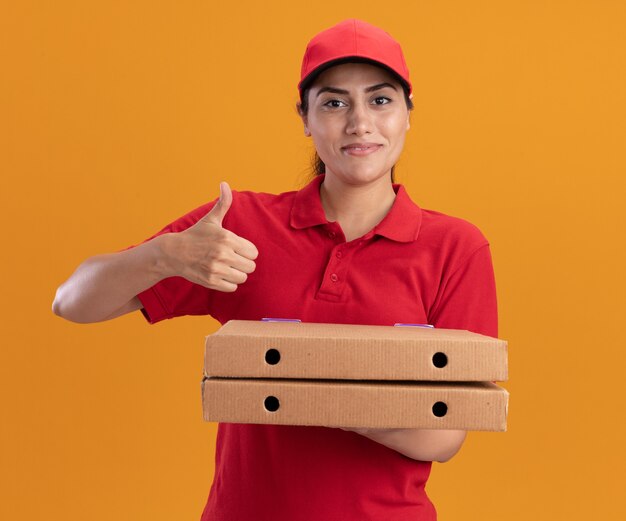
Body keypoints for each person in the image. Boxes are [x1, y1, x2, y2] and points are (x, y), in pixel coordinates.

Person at [53, 19, 498, 521]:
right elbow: (71, 301)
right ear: (304, 117)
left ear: (408, 113)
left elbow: (442, 435)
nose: (359, 122)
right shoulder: (241, 226)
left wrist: (292, 386)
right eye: (333, 102)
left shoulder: (455, 248)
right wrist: (166, 256)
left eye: (380, 100)